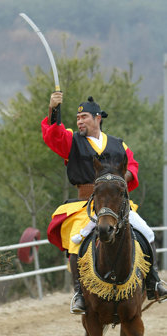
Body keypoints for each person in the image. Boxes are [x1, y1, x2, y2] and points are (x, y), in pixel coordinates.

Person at [41, 92, 167, 314]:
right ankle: (79, 294)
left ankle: (153, 281)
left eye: (85, 117)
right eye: (78, 118)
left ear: (98, 118)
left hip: (116, 203)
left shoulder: (119, 145)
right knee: (76, 242)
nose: (79, 121)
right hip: (85, 203)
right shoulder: (72, 140)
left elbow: (133, 165)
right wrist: (54, 110)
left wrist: (122, 179)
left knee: (146, 233)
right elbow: (53, 135)